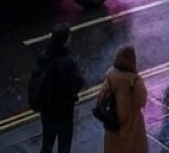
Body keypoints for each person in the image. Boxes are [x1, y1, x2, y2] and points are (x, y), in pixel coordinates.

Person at [33, 22, 84, 153]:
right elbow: (79, 82)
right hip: (64, 110)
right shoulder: (68, 62)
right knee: (64, 145)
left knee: (47, 142)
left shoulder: (44, 56)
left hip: (47, 109)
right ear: (65, 41)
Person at [94, 43, 147, 153]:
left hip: (114, 124)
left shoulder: (111, 75)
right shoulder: (135, 80)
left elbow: (101, 96)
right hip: (133, 126)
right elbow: (141, 101)